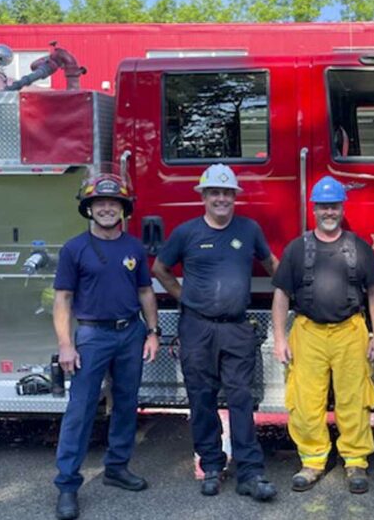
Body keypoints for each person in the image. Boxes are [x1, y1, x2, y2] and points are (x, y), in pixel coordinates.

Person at [152, 163, 278, 502]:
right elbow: (160, 269)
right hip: (196, 328)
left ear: (234, 196)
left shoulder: (249, 229)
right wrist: (183, 296)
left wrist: (293, 290)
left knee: (241, 399)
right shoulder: (186, 232)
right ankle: (210, 465)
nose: (221, 198)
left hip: (237, 327)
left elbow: (273, 266)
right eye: (214, 193)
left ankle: (250, 473)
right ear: (204, 197)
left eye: (226, 193)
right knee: (202, 398)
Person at [53, 173, 160, 520]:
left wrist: (153, 332)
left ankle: (116, 468)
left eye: (113, 203)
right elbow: (63, 299)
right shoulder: (74, 249)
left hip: (131, 333)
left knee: (127, 404)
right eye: (100, 203)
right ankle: (68, 486)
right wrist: (66, 345)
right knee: (81, 411)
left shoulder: (133, 248)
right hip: (92, 337)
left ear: (123, 208)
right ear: (88, 208)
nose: (106, 209)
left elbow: (145, 292)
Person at [271, 175, 374, 494]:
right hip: (308, 332)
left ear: (341, 207)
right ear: (315, 209)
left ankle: (355, 462)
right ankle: (312, 461)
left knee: (354, 398)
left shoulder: (358, 247)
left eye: (333, 206)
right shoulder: (297, 248)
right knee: (305, 400)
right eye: (323, 207)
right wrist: (280, 338)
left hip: (350, 331)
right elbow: (281, 295)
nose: (329, 212)